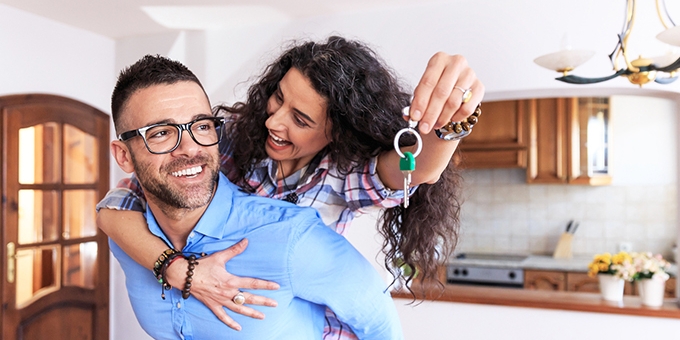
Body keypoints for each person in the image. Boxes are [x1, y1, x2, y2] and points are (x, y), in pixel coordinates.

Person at [98, 36, 485, 337]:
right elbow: (117, 206)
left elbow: (422, 169)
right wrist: (178, 269)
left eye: (300, 119)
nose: (274, 122)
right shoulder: (225, 137)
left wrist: (456, 115)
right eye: (277, 98)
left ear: (337, 131)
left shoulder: (342, 176)